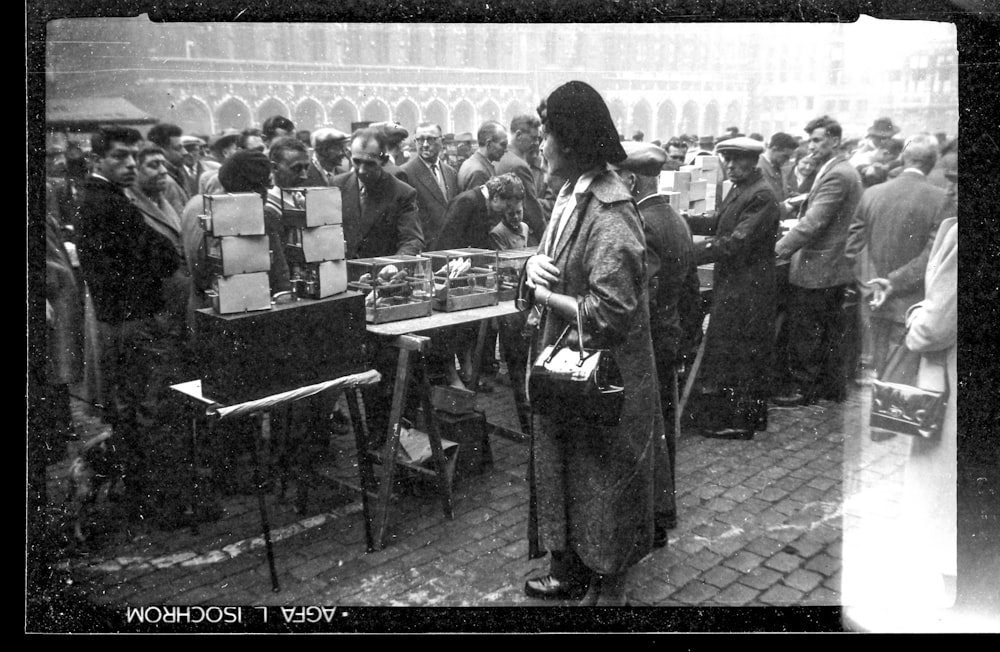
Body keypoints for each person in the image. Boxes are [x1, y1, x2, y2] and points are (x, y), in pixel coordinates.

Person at [521, 80, 659, 606]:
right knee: (568, 466)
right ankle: (572, 563)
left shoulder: (610, 211)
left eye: (547, 134)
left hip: (598, 373)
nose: (541, 145)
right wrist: (534, 264)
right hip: (569, 363)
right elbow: (550, 258)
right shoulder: (568, 194)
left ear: (573, 141)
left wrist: (543, 295)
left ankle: (593, 574)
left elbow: (612, 312)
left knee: (595, 475)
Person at [76, 126, 181, 526]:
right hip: (133, 320)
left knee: (133, 410)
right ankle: (159, 504)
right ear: (97, 159)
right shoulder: (108, 203)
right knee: (149, 412)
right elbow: (161, 257)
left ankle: (140, 495)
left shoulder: (105, 198)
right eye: (120, 156)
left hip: (120, 319)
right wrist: (157, 258)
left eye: (133, 157)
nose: (130, 164)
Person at [615, 140, 701, 540]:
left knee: (644, 434)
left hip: (648, 341)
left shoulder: (642, 223)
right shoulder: (676, 218)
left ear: (631, 180)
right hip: (669, 338)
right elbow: (691, 291)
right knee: (664, 428)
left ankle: (649, 522)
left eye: (617, 177)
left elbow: (639, 297)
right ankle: (660, 519)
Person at [685, 137, 781, 439]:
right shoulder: (742, 188)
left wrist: (691, 253)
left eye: (736, 160)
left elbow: (737, 242)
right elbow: (721, 223)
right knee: (731, 348)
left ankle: (739, 423)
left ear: (752, 161)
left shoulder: (762, 195)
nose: (730, 165)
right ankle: (732, 417)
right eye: (726, 159)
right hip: (736, 283)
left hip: (749, 287)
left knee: (740, 352)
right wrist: (683, 221)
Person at [773, 115, 863, 406]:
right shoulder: (839, 169)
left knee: (807, 330)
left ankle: (802, 388)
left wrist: (779, 249)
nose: (811, 146)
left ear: (834, 140)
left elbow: (814, 223)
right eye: (809, 140)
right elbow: (817, 204)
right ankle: (828, 387)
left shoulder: (837, 173)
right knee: (826, 328)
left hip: (820, 266)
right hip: (831, 265)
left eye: (817, 140)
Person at [846, 133, 949, 375]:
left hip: (873, 298)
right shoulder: (941, 199)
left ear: (903, 158)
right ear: (933, 162)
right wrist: (893, 282)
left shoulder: (871, 193)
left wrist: (872, 285)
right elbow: (933, 255)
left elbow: (854, 247)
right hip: (911, 304)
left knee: (880, 374)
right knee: (903, 381)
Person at [900, 212, 957, 608]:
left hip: (949, 383)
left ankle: (959, 603)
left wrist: (915, 315)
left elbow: (932, 328)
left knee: (946, 505)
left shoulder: (960, 233)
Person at [400, 122, 458, 246]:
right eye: (420, 140)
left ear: (441, 141)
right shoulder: (405, 173)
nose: (425, 145)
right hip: (425, 249)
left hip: (449, 248)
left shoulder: (450, 172)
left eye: (431, 139)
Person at [495, 114, 547, 246]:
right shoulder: (519, 165)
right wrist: (546, 240)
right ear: (518, 135)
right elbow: (532, 209)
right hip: (519, 236)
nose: (536, 143)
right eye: (533, 138)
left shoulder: (500, 158)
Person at [457, 121, 508, 192]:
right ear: (489, 144)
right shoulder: (479, 173)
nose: (506, 150)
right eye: (503, 145)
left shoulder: (471, 162)